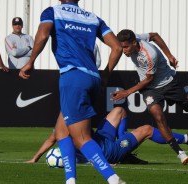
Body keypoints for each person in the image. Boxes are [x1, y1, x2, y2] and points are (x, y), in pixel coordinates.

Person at [19, 1, 123, 184]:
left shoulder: (53, 11)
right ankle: (70, 181)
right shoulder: (93, 17)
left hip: (73, 77)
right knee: (61, 131)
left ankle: (113, 179)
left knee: (81, 138)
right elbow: (117, 47)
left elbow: (43, 35)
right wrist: (105, 74)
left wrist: (31, 61)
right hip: (93, 77)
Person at [112, 29, 188, 165]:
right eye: (122, 47)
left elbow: (149, 79)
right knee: (158, 117)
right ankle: (180, 152)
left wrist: (127, 92)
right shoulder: (137, 38)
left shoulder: (149, 55)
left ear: (134, 43)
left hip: (167, 83)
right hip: (150, 90)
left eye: (126, 47)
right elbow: (154, 35)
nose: (124, 51)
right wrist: (170, 55)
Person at [26, 107, 188, 165]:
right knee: (147, 129)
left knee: (119, 110)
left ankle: (123, 141)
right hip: (106, 151)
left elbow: (53, 138)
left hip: (100, 139)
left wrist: (35, 158)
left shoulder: (68, 114)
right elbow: (56, 139)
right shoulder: (72, 116)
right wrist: (103, 161)